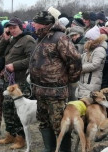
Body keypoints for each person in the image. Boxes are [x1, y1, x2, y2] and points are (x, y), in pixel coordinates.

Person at [29, 11, 82, 152]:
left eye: (36, 22)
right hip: (40, 91)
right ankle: (49, 148)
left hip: (55, 92)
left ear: (44, 24)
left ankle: (64, 150)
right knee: (44, 122)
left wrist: (70, 79)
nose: (33, 25)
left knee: (59, 124)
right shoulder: (40, 38)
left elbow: (75, 59)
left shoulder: (60, 38)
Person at [0, 17, 36, 149]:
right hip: (10, 81)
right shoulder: (11, 40)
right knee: (7, 109)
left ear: (21, 27)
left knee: (18, 112)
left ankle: (20, 138)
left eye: (14, 27)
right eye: (10, 28)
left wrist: (16, 65)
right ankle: (10, 134)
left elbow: (32, 59)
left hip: (21, 81)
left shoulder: (28, 40)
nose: (12, 30)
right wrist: (4, 40)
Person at [76, 26, 107, 99]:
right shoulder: (89, 49)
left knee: (89, 104)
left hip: (91, 82)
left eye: (88, 39)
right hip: (84, 82)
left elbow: (95, 65)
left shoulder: (99, 50)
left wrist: (80, 68)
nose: (87, 41)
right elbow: (82, 59)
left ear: (94, 39)